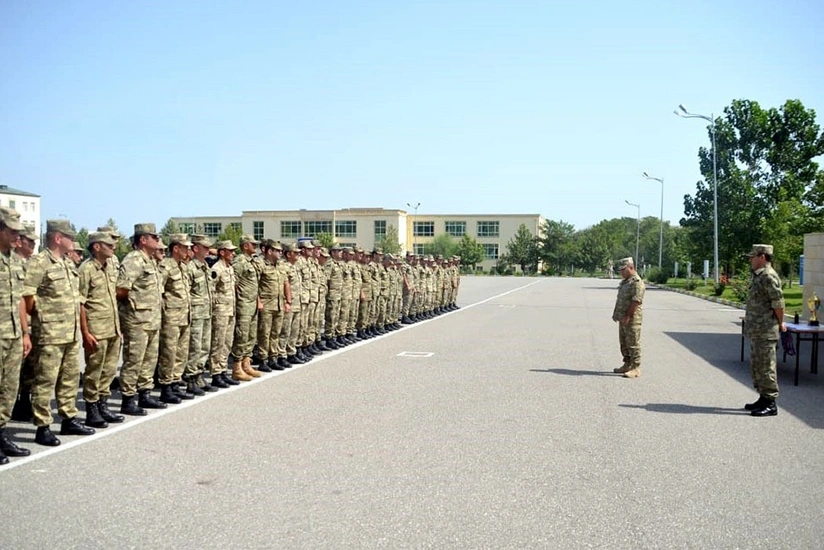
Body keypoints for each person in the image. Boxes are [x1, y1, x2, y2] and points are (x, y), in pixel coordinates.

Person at [24, 219, 94, 446]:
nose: (73, 241)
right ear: (57, 237)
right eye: (69, 237)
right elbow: (27, 296)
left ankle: (68, 418)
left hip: (70, 333)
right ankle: (43, 426)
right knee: (45, 380)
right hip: (50, 333)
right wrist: (42, 316)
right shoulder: (40, 262)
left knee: (70, 378)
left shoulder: (67, 263)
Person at [117, 223, 165, 416]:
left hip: (152, 319)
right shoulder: (134, 260)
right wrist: (132, 309)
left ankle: (145, 393)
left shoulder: (150, 260)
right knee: (134, 360)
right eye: (154, 237)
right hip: (137, 320)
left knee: (149, 359)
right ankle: (128, 398)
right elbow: (121, 289)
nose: (158, 240)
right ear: (143, 239)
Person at [78, 231, 124, 428]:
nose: (113, 247)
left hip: (113, 327)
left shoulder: (110, 267)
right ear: (97, 247)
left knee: (109, 370)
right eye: (109, 245)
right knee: (94, 371)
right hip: (96, 329)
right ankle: (92, 409)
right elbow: (80, 303)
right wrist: (85, 332)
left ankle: (103, 405)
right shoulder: (86, 269)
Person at [0, 209, 32, 462]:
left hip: (12, 334)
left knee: (9, 389)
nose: (18, 237)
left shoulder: (15, 260)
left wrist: (24, 333)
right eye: (12, 232)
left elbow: (20, 299)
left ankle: (1, 433)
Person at [743, 244, 785, 417]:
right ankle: (763, 397)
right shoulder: (759, 275)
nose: (750, 260)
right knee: (758, 366)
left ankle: (770, 403)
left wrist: (780, 323)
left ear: (762, 257)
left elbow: (778, 303)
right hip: (757, 330)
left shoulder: (768, 276)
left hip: (766, 330)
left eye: (753, 257)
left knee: (766, 367)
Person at [157, 234, 194, 403]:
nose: (188, 250)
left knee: (181, 352)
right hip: (171, 317)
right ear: (176, 248)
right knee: (169, 353)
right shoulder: (166, 266)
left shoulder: (183, 267)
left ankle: (175, 383)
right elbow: (159, 291)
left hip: (184, 315)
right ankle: (166, 387)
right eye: (185, 247)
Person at [210, 240, 241, 385]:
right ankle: (216, 373)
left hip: (230, 310)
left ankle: (223, 370)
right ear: (222, 252)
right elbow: (211, 290)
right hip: (220, 312)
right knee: (218, 342)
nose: (233, 253)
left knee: (227, 342)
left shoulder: (229, 268)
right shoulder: (217, 269)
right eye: (230, 251)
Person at [611, 257, 645, 378]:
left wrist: (627, 316)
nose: (621, 272)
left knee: (633, 343)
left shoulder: (637, 282)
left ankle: (636, 368)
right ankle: (627, 364)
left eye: (623, 270)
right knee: (624, 343)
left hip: (632, 318)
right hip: (623, 318)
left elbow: (636, 301)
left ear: (631, 268)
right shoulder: (626, 281)